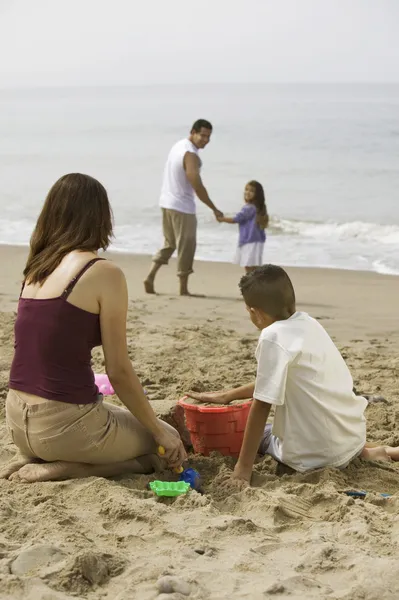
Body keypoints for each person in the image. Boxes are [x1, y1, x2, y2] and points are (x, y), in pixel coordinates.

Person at [1, 173, 186, 483]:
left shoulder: (36, 270)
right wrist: (160, 431)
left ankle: (48, 456)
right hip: (65, 428)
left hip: (18, 422)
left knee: (134, 418)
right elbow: (119, 371)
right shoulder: (103, 273)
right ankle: (71, 468)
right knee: (162, 443)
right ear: (101, 217)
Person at [186, 265, 399, 484]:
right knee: (324, 429)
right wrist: (229, 395)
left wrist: (243, 469)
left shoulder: (272, 337)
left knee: (247, 434)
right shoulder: (308, 323)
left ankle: (359, 453)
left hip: (313, 457)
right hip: (350, 438)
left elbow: (261, 405)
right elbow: (278, 378)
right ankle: (374, 451)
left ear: (254, 312)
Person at [144, 119, 223, 296]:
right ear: (193, 132)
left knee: (170, 243)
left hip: (166, 202)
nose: (205, 140)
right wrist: (214, 208)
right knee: (186, 246)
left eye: (208, 137)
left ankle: (150, 277)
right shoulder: (190, 154)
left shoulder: (178, 145)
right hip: (182, 207)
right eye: (202, 135)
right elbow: (195, 182)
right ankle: (183, 289)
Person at [217, 180, 268, 273]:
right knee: (254, 268)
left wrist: (222, 219)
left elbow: (236, 219)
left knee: (248, 267)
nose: (247, 192)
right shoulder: (259, 208)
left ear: (257, 194)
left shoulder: (249, 208)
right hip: (257, 241)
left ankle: (251, 286)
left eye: (251, 191)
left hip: (249, 241)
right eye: (246, 189)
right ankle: (255, 285)